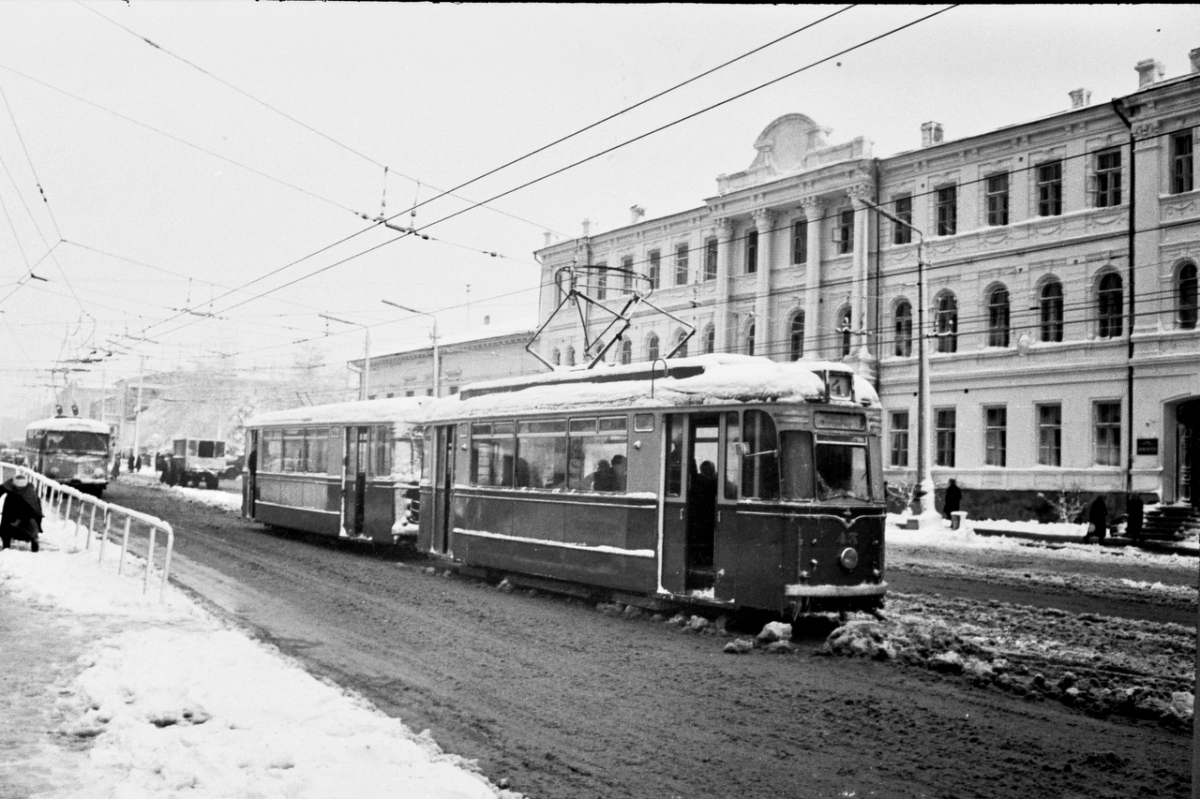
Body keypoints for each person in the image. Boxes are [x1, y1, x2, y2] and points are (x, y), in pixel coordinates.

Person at [1, 471, 43, 552]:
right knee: (5, 527)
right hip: (10, 510)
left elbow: (34, 508)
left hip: (27, 512)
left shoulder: (30, 492)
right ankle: (6, 546)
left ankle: (34, 542)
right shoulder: (8, 485)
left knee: (33, 527)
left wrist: (19, 520)